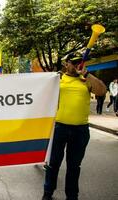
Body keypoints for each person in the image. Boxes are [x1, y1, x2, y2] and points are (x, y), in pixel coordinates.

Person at [42, 53, 107, 200]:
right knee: (53, 164)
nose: (79, 65)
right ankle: (47, 193)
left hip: (80, 130)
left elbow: (102, 91)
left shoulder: (86, 80)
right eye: (75, 62)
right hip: (59, 129)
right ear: (66, 64)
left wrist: (88, 75)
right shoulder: (57, 79)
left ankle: (72, 196)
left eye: (81, 62)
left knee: (74, 167)